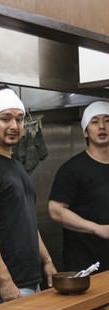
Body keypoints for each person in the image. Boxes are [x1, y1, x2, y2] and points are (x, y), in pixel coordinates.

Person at [0, 85, 57, 306]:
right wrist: (5, 280)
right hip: (1, 289)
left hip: (29, 281)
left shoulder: (15, 166)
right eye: (5, 119)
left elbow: (27, 220)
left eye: (19, 119)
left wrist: (47, 261)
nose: (14, 126)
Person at [48, 101, 109, 272]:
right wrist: (97, 229)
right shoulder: (72, 169)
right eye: (95, 122)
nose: (102, 126)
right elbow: (55, 210)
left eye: (107, 120)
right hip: (86, 268)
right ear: (85, 131)